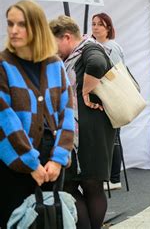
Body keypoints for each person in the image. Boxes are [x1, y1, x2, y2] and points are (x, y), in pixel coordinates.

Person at [0, 0, 74, 228]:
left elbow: (67, 114)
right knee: (17, 221)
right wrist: (30, 163)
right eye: (10, 23)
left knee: (51, 220)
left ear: (37, 27)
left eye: (21, 24)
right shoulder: (3, 65)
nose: (14, 30)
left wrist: (59, 159)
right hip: (14, 162)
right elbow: (5, 119)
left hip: (51, 162)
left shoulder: (55, 64)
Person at [50, 16, 116, 229]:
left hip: (88, 133)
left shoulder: (89, 50)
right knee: (78, 185)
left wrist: (86, 89)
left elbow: (97, 64)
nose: (54, 50)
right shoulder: (83, 51)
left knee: (85, 186)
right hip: (88, 130)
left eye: (55, 43)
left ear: (67, 37)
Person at [91, 13, 125, 191]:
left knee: (113, 138)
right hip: (101, 97)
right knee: (107, 139)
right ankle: (109, 177)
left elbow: (118, 73)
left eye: (100, 25)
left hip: (112, 96)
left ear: (108, 28)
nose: (96, 27)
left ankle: (114, 178)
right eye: (94, 24)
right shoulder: (93, 46)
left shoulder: (111, 47)